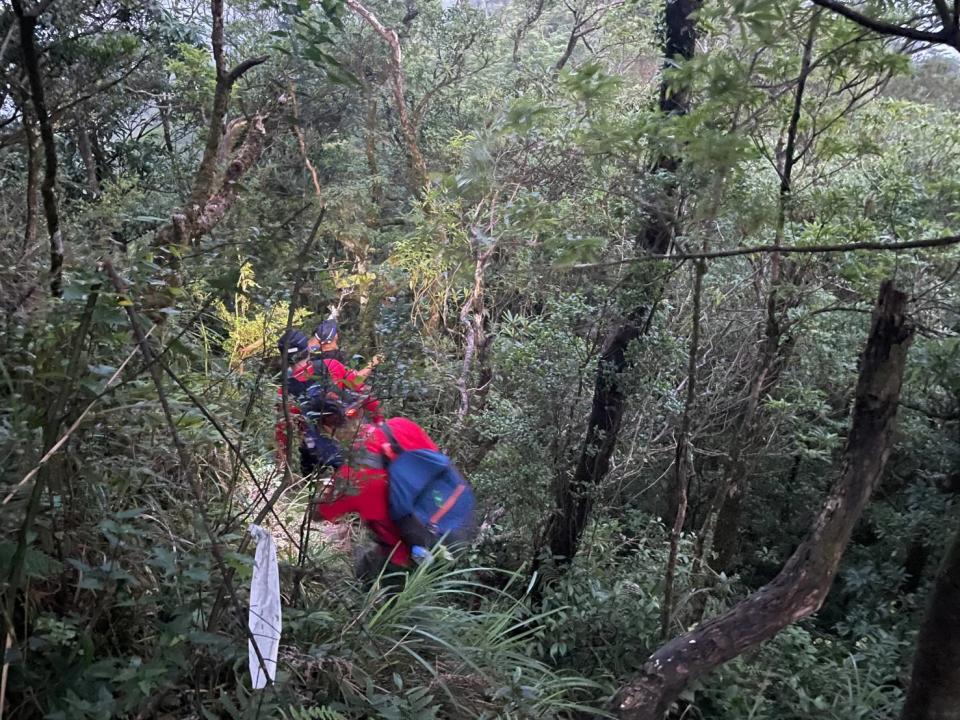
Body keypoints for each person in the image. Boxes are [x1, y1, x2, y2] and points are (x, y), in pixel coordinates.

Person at [313, 415, 443, 584]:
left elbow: (319, 514)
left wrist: (323, 492)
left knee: (368, 581)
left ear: (330, 429)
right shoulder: (401, 425)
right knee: (368, 560)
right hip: (441, 526)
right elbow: (437, 461)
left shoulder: (351, 477)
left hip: (401, 554)